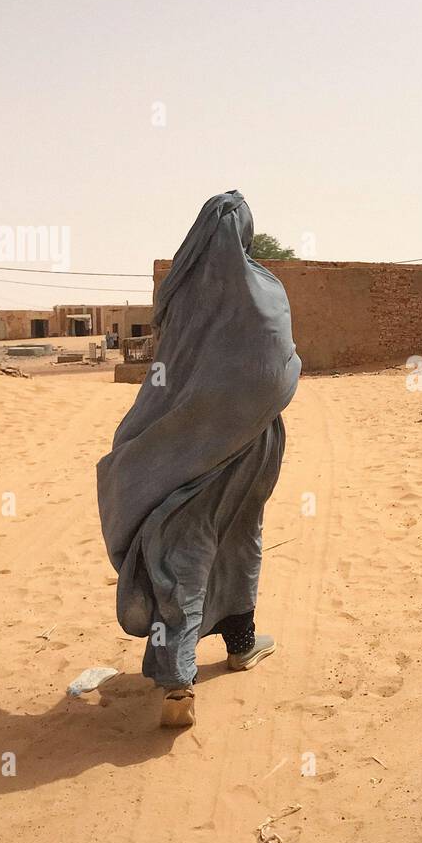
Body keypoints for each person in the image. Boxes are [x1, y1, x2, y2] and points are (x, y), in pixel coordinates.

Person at [96, 192, 301, 728]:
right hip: (250, 447)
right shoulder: (264, 291)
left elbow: (173, 374)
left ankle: (178, 674)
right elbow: (277, 370)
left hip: (185, 446)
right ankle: (241, 645)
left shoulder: (180, 295)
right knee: (241, 539)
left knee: (182, 552)